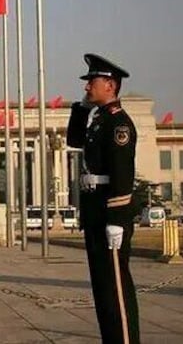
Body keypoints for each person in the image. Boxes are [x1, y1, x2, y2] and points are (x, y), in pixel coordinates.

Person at [66, 53, 140, 344]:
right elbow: (74, 139)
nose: (86, 88)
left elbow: (122, 174)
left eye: (91, 82)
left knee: (116, 291)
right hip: (95, 213)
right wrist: (82, 109)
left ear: (110, 85)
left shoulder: (118, 124)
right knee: (102, 291)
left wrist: (117, 220)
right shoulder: (99, 122)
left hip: (110, 215)